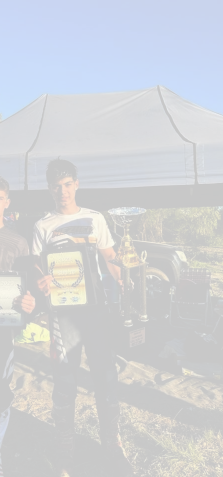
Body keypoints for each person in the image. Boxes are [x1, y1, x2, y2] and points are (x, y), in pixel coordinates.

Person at [30, 159, 132, 477]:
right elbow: (35, 268)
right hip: (63, 315)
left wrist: (125, 280)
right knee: (65, 381)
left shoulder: (95, 219)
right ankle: (65, 449)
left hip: (98, 312)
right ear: (49, 189)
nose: (62, 191)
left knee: (105, 377)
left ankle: (111, 444)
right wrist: (40, 281)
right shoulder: (41, 226)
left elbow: (111, 257)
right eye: (56, 185)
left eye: (67, 184)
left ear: (76, 184)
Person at [0, 177, 36, 475]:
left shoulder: (19, 243)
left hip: (3, 334)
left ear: (7, 201)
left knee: (0, 396)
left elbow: (29, 291)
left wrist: (29, 304)